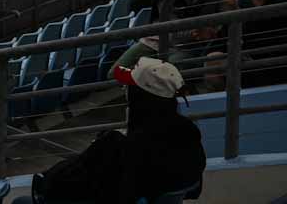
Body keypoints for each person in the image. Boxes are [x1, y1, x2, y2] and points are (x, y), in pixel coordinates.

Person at [34, 59, 203, 204]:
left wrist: (96, 151)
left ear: (138, 96)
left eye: (128, 87)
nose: (125, 91)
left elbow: (56, 187)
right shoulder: (189, 133)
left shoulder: (120, 147)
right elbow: (193, 189)